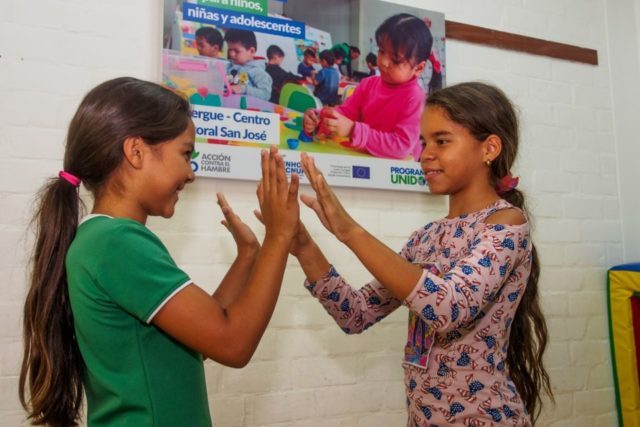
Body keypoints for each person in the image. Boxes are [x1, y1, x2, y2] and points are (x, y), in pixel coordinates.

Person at [18, 77, 300, 427]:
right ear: (136, 151)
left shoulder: (102, 237)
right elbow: (233, 343)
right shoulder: (118, 242)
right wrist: (281, 234)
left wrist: (248, 256)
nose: (190, 173)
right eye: (185, 153)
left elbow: (204, 336)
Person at [291, 82, 553, 425]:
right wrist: (301, 244)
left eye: (441, 141)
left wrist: (349, 231)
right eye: (424, 142)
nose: (424, 154)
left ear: (489, 148)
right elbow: (356, 314)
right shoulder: (426, 238)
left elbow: (448, 307)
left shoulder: (506, 225)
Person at [303, 13, 432, 161]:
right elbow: (346, 113)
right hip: (364, 162)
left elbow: (401, 147)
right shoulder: (368, 84)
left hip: (396, 175)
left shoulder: (415, 97)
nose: (383, 62)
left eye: (396, 60)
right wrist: (319, 118)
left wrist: (353, 130)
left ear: (419, 68)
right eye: (382, 51)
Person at [224, 29, 272, 101]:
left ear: (251, 51)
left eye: (237, 51)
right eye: (230, 50)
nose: (231, 54)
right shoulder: (229, 66)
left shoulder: (258, 72)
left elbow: (266, 94)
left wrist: (244, 89)